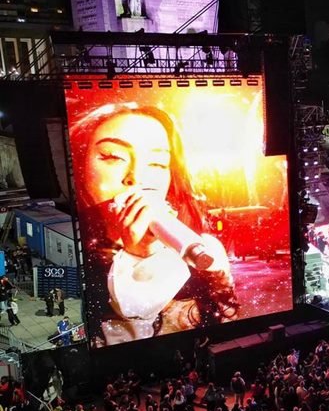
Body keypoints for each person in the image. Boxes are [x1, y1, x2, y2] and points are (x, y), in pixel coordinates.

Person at [69, 103, 238, 345]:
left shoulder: (203, 247)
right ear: (80, 166)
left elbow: (227, 326)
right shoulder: (74, 259)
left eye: (157, 163)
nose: (136, 177)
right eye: (112, 157)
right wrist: (136, 258)